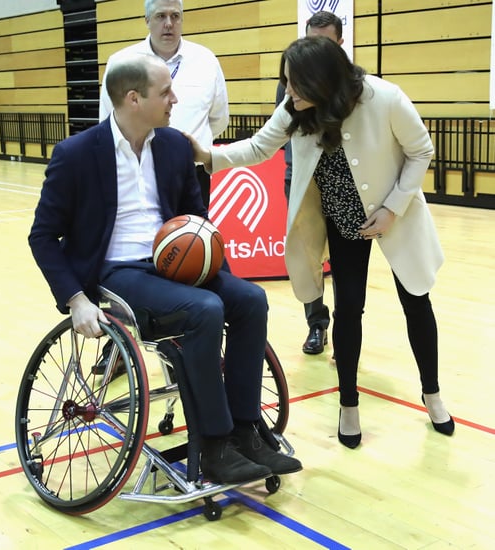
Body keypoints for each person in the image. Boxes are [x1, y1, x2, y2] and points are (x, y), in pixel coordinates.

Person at [29, 53, 301, 484]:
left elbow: (196, 219)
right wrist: (76, 300)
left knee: (250, 298)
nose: (175, 99)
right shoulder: (76, 154)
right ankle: (213, 444)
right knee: (205, 310)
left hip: (173, 262)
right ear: (134, 99)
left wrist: (220, 272)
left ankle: (246, 431)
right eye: (166, 92)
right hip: (118, 274)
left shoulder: (174, 146)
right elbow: (42, 236)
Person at [188, 36, 455, 448]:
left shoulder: (384, 97)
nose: (288, 92)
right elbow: (260, 147)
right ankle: (349, 403)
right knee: (349, 309)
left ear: (322, 82)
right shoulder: (296, 110)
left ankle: (432, 393)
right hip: (342, 219)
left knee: (416, 301)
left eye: (295, 84)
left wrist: (393, 206)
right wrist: (207, 156)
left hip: (393, 213)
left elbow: (422, 151)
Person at [98, 0, 229, 207]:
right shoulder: (121, 62)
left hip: (192, 173)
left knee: (194, 237)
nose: (169, 23)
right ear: (147, 20)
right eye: (161, 16)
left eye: (175, 16)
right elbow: (107, 119)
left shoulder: (206, 60)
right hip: (136, 174)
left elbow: (218, 120)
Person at [275, 11, 344, 356]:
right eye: (310, 42)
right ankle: (317, 325)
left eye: (324, 43)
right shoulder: (291, 81)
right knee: (307, 257)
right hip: (301, 180)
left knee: (346, 261)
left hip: (343, 186)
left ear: (340, 44)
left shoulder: (352, 84)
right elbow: (276, 132)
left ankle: (347, 331)